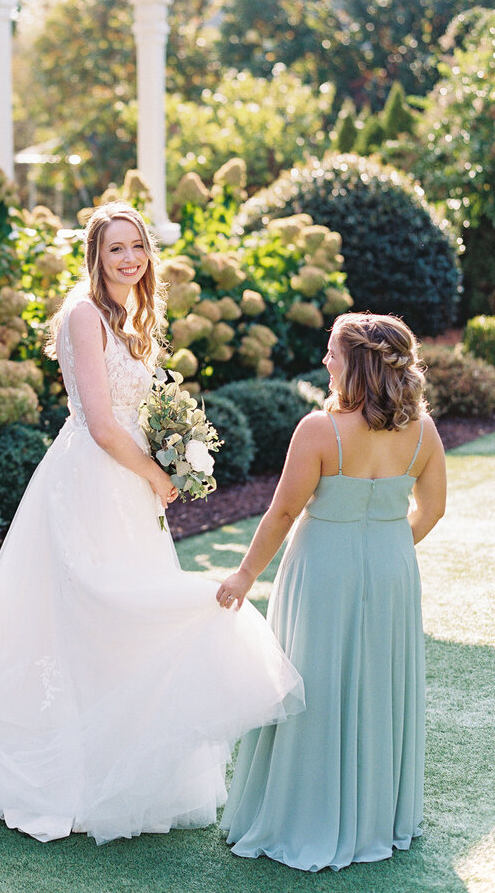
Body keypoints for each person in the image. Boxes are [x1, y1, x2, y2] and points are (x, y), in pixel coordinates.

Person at [0, 202, 304, 844]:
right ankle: (71, 772)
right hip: (91, 480)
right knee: (94, 609)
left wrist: (173, 451)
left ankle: (127, 768)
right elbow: (102, 422)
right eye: (116, 248)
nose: (129, 258)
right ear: (96, 256)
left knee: (119, 621)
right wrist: (157, 474)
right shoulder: (85, 314)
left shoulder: (135, 317)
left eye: (137, 246)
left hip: (128, 486)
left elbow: (138, 411)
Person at [217, 312, 446, 871]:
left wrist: (244, 573)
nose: (325, 361)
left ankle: (303, 816)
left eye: (333, 354)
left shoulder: (319, 429)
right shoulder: (424, 430)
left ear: (358, 365)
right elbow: (433, 510)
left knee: (312, 684)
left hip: (322, 568)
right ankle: (376, 819)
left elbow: (283, 512)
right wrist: (387, 547)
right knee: (379, 685)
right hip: (392, 571)